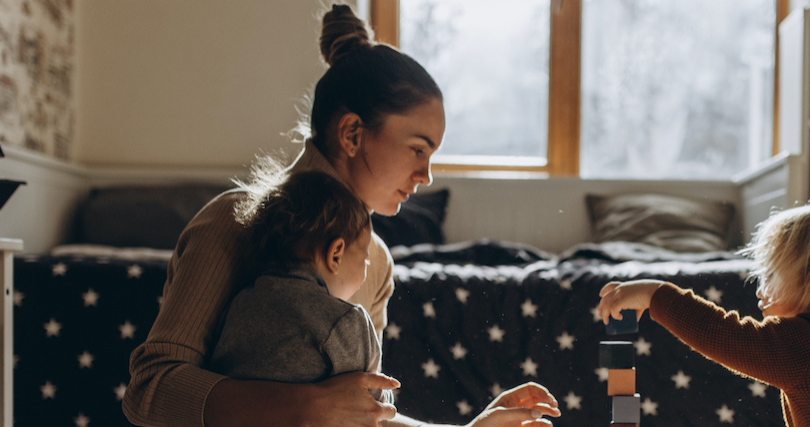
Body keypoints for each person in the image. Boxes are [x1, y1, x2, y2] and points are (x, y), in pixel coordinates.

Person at [122, 5, 560, 427]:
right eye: (418, 148)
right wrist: (303, 406)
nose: (426, 175)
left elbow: (358, 413)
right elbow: (150, 390)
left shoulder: (377, 261)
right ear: (352, 133)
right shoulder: (232, 222)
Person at [596, 201, 810, 427]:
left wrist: (655, 294)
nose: (760, 287)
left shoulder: (809, 345)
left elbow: (722, 333)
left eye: (772, 275)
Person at [209, 171, 391, 403]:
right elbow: (374, 407)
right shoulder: (346, 321)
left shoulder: (237, 305)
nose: (366, 269)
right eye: (365, 259)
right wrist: (386, 396)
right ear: (335, 254)